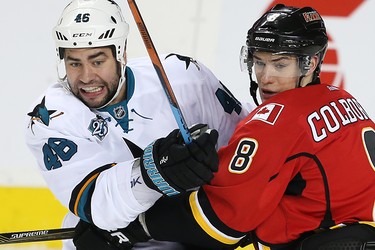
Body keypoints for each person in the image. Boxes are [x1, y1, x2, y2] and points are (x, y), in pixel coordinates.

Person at [80, 4, 375, 250]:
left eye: (280, 65)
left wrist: (134, 227)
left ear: (310, 64)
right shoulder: (342, 99)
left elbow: (221, 224)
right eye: (259, 63)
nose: (266, 77)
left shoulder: (276, 121)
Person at [24, 0, 251, 249]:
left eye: (97, 61)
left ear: (120, 53)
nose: (86, 77)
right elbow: (98, 203)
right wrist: (156, 171)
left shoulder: (185, 76)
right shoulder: (49, 115)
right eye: (74, 63)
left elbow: (246, 144)